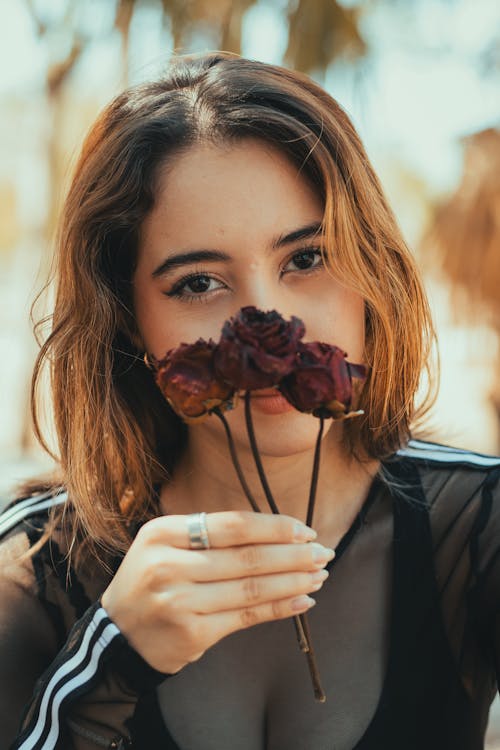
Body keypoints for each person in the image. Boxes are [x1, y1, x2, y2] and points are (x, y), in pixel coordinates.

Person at [1, 51, 499, 750]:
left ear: (371, 272)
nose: (269, 322)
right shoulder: (33, 569)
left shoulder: (477, 526)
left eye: (306, 258)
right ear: (128, 321)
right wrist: (105, 662)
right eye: (199, 282)